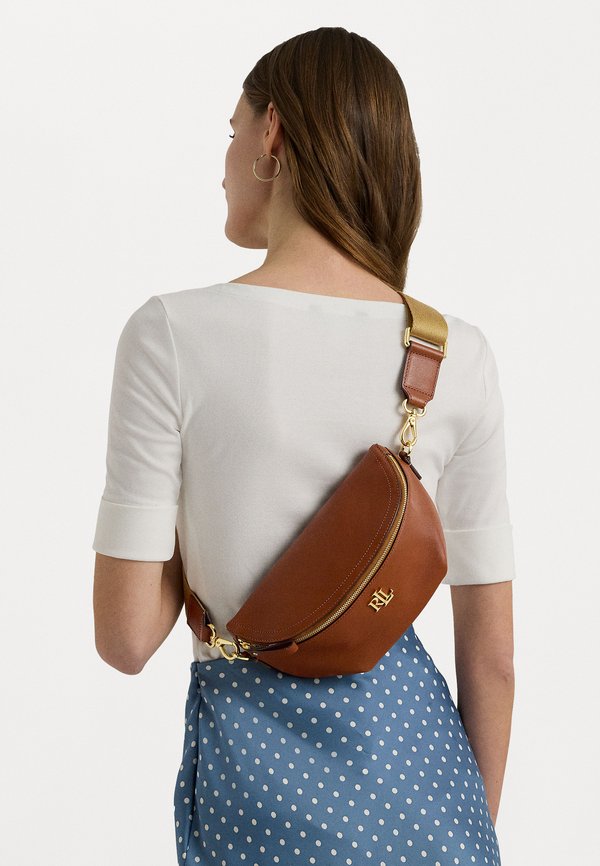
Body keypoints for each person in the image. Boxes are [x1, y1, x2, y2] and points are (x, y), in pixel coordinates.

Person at [92, 26, 516, 866]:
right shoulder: (454, 354)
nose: (223, 164)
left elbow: (127, 637)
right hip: (431, 802)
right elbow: (494, 658)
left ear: (273, 135)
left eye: (232, 132)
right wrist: (468, 831)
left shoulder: (170, 334)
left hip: (260, 802)